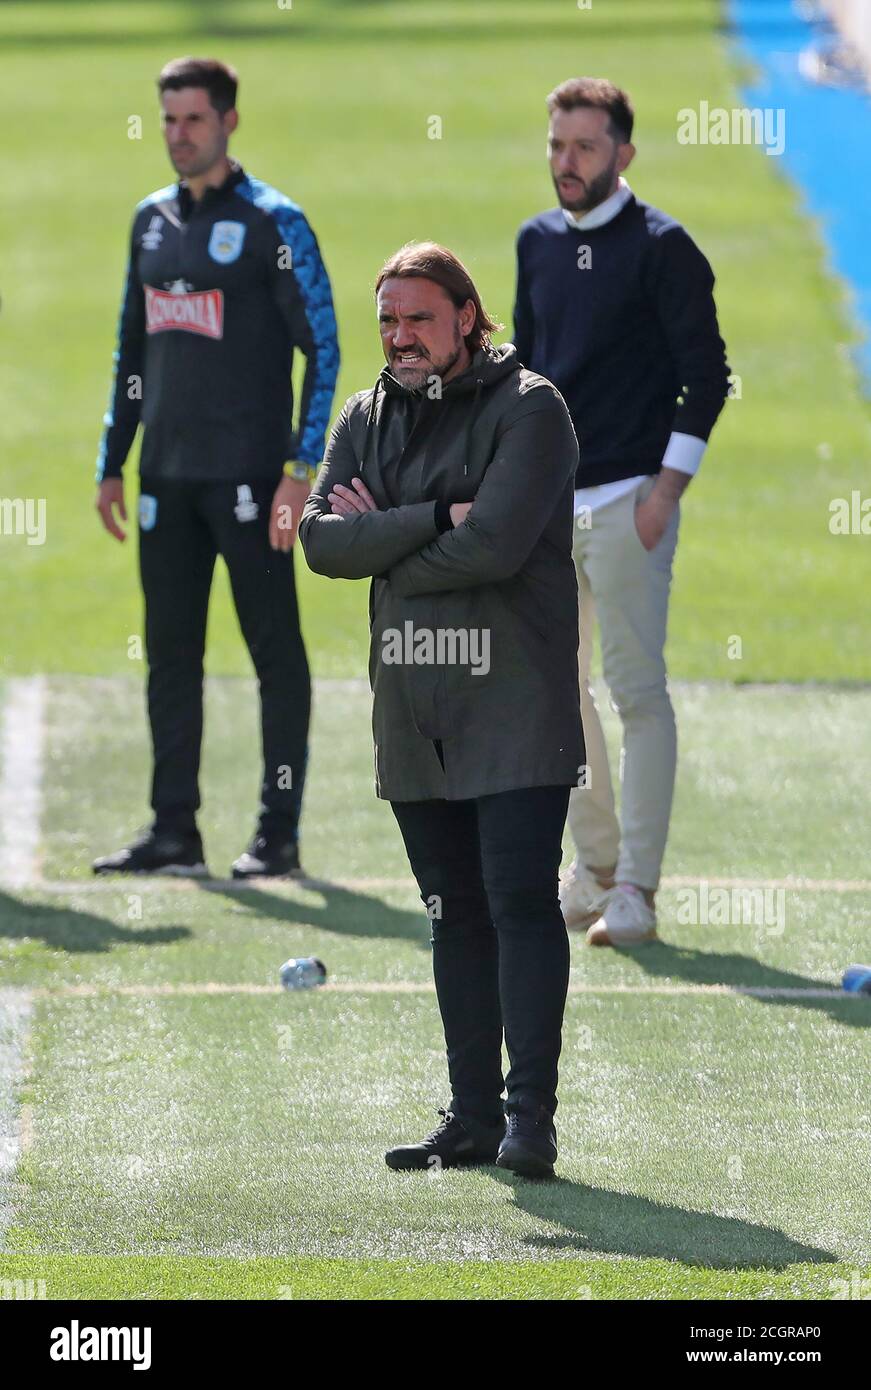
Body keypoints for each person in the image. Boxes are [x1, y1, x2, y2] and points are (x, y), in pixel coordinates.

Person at [299, 242, 582, 1179]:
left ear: (467, 316)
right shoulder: (364, 413)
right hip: (413, 699)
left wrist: (386, 531)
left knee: (518, 904)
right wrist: (433, 518)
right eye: (387, 317)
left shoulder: (531, 409)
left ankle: (528, 1123)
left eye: (418, 316)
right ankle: (468, 1116)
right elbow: (321, 544)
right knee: (451, 911)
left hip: (513, 699)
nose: (399, 334)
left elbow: (497, 545)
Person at [92, 56, 339, 879]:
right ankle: (174, 831)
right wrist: (112, 461)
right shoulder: (149, 222)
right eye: (168, 120)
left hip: (251, 482)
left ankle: (278, 832)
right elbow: (133, 346)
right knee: (169, 656)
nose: (178, 135)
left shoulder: (275, 223)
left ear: (229, 121)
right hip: (165, 479)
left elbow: (325, 351)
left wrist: (300, 468)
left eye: (193, 120)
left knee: (274, 653)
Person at [513, 76, 730, 946]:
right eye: (558, 145)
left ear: (623, 155)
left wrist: (662, 493)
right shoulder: (534, 242)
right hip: (548, 509)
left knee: (637, 694)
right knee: (556, 696)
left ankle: (635, 887)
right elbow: (527, 373)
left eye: (585, 148)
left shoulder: (662, 248)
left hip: (629, 503)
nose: (566, 163)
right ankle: (593, 865)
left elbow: (705, 376)